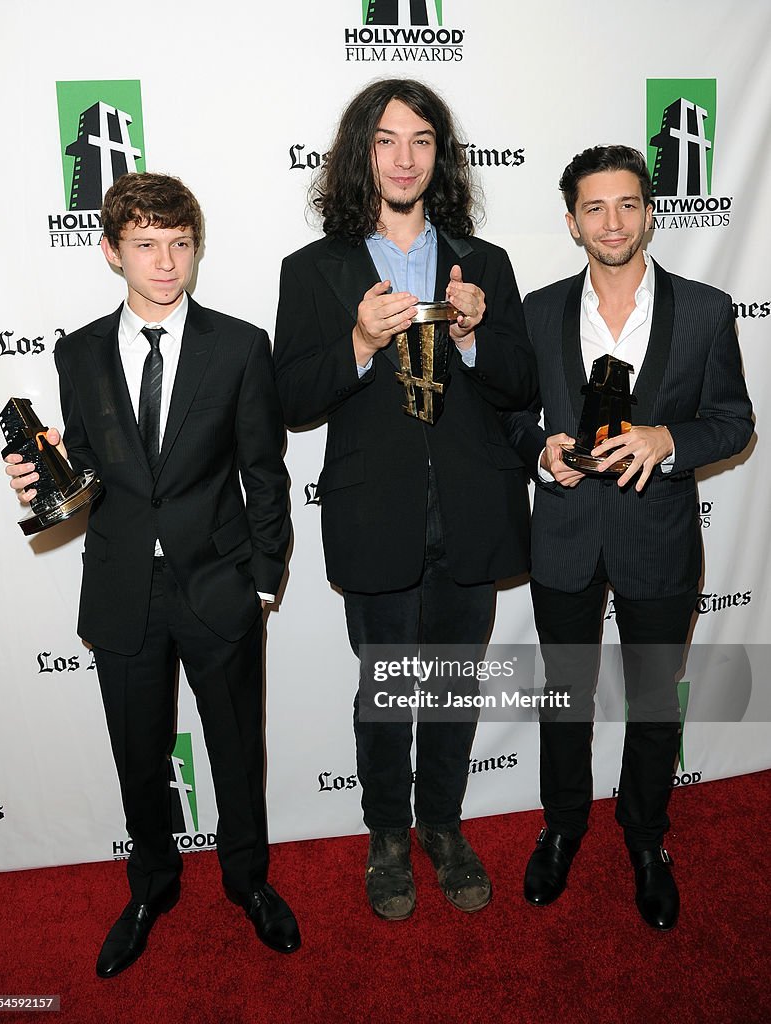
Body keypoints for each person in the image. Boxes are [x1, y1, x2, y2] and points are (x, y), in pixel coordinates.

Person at [4, 172, 300, 976]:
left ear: (195, 248)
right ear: (111, 252)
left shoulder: (240, 346)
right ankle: (151, 887)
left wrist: (264, 581)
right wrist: (48, 479)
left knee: (238, 751)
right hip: (124, 589)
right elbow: (94, 474)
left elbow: (265, 474)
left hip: (219, 587)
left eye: (179, 244)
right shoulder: (79, 353)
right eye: (145, 245)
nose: (165, 262)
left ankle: (249, 882)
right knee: (139, 754)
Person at [273, 79, 537, 920]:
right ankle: (386, 833)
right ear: (362, 152)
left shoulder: (484, 262)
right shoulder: (314, 269)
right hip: (375, 513)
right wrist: (357, 340)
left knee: (454, 684)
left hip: (473, 510)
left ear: (440, 155)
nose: (404, 158)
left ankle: (444, 827)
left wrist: (471, 336)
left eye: (422, 140)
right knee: (387, 688)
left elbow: (521, 384)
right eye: (386, 140)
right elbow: (290, 397)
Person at [503, 145, 753, 929]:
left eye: (627, 204)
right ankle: (563, 825)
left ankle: (646, 838)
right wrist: (539, 452)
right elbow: (509, 413)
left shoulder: (707, 309)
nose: (612, 221)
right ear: (572, 220)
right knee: (564, 697)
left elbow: (733, 422)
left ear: (649, 211)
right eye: (594, 208)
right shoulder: (538, 311)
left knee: (651, 700)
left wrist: (666, 441)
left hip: (660, 541)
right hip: (567, 536)